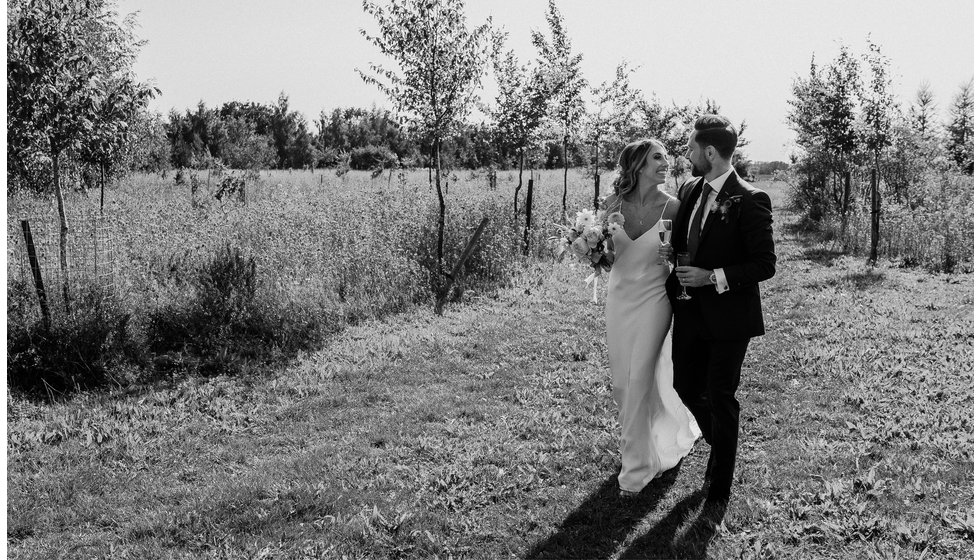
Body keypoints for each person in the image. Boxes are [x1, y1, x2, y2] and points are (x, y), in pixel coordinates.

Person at [666, 115, 776, 513]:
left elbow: (765, 265)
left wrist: (711, 277)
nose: (689, 153)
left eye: (693, 147)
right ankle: (722, 442)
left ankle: (719, 485)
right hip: (689, 312)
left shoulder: (751, 198)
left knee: (720, 393)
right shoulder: (690, 188)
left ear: (709, 152)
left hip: (730, 318)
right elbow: (682, 240)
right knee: (684, 385)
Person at [602, 138, 701, 498]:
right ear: (638, 165)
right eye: (657, 158)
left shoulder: (673, 206)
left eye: (666, 158)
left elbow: (682, 254)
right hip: (620, 299)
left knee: (638, 379)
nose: (665, 163)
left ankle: (636, 470)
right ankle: (656, 437)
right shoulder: (612, 203)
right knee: (622, 382)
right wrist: (591, 248)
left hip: (655, 299)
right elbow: (607, 253)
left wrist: (672, 255)